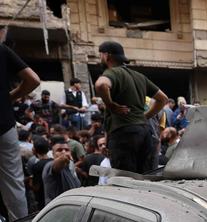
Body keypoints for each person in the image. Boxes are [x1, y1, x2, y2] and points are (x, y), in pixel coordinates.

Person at [94, 41, 168, 174]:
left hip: (124, 133)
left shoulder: (112, 73)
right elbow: (163, 99)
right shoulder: (139, 76)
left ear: (106, 56)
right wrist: (145, 116)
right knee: (143, 177)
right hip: (144, 132)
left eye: (100, 55)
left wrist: (111, 105)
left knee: (125, 179)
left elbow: (101, 85)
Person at [0, 42, 39, 221]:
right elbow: (33, 80)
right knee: (14, 183)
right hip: (4, 124)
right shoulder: (2, 49)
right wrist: (9, 97)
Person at [42, 135, 80, 204]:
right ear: (53, 154)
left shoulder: (69, 168)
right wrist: (63, 158)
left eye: (67, 150)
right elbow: (57, 164)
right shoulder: (49, 165)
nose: (63, 152)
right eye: (59, 150)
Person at [28, 136, 51, 210]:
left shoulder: (37, 166)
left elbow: (35, 187)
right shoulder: (53, 162)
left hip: (42, 198)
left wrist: (30, 179)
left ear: (34, 150)